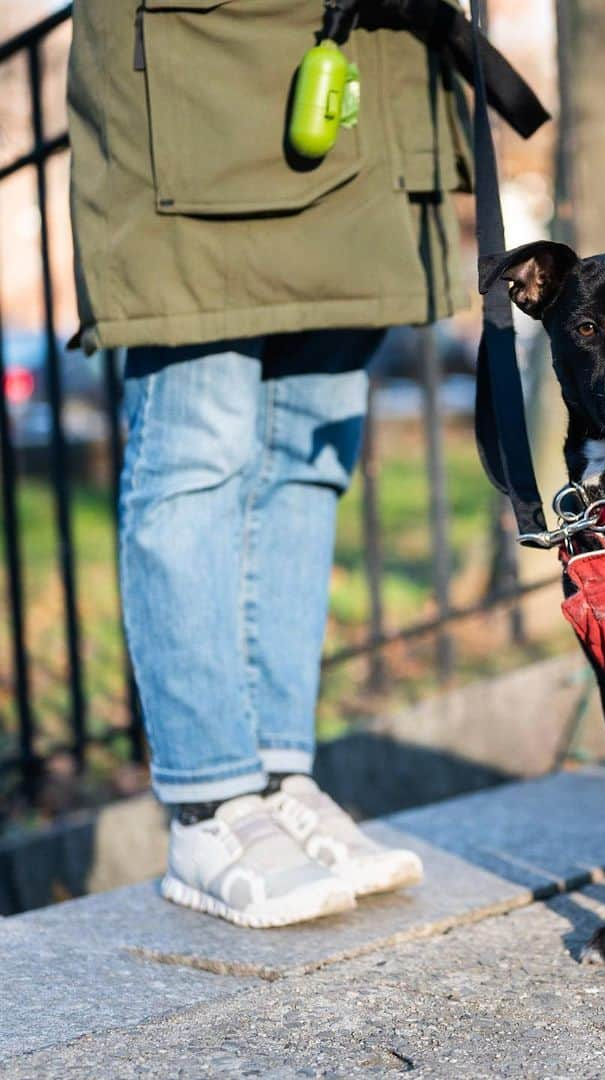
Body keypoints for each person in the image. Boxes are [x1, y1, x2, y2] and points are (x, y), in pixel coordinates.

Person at [67, 0, 472, 927]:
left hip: (356, 80)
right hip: (201, 73)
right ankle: (211, 802)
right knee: (197, 453)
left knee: (311, 449)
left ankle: (278, 777)